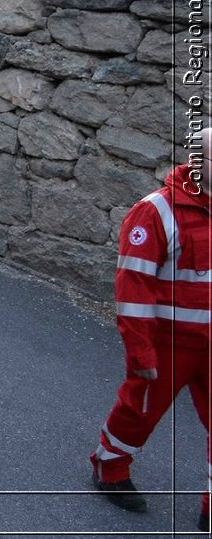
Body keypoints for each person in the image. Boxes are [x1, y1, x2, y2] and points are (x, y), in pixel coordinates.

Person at [90, 127, 210, 529]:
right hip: (169, 342)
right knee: (140, 410)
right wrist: (141, 351)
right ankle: (111, 467)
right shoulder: (156, 212)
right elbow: (133, 287)